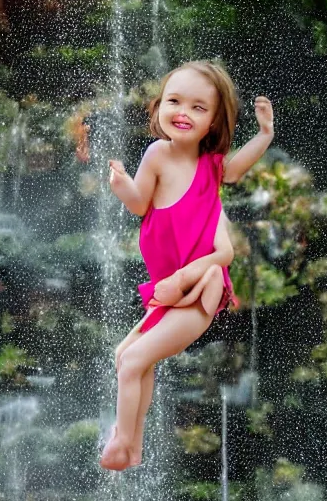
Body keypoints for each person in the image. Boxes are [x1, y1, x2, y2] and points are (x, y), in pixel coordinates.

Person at [101, 61, 274, 471]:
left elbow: (225, 252)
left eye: (199, 108)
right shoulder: (157, 154)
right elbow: (142, 203)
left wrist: (264, 134)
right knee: (125, 355)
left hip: (195, 297)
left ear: (214, 121)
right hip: (169, 293)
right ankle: (136, 445)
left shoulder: (211, 171)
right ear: (159, 106)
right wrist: (123, 186)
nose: (183, 112)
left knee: (132, 361)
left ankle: (122, 440)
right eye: (175, 101)